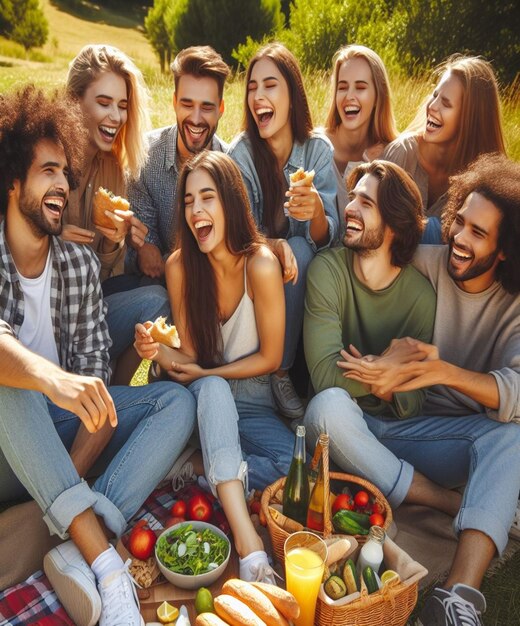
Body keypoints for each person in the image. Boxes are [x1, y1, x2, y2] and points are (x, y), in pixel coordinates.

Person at [0, 85, 196, 626]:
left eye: (66, 171)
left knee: (176, 404)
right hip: (5, 443)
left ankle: (74, 535)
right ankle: (108, 567)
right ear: (13, 181)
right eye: (47, 172)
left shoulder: (78, 267)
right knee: (8, 379)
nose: (63, 183)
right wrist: (52, 382)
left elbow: (99, 406)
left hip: (58, 439)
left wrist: (130, 363)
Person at [317, 154, 520, 626]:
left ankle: (457, 598)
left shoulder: (513, 308)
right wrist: (385, 369)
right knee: (328, 411)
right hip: (383, 424)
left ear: (505, 249)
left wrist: (443, 372)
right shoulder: (424, 263)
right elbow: (365, 246)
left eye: (478, 234)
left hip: (450, 439)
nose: (460, 241)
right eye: (459, 224)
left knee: (511, 437)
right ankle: (454, 504)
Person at [134, 150, 295, 583]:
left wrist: (209, 373)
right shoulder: (180, 267)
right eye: (188, 201)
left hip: (255, 400)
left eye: (208, 197)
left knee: (291, 471)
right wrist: (156, 352)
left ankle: (203, 469)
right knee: (213, 392)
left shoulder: (260, 265)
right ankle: (250, 547)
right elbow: (186, 355)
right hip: (204, 400)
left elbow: (271, 358)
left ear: (230, 201)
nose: (196, 210)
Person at [228, 42, 338, 419]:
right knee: (285, 250)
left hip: (304, 275)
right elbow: (236, 232)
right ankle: (272, 371)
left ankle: (282, 371)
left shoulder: (317, 151)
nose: (258, 96)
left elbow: (329, 238)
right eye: (252, 87)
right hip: (251, 271)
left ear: (292, 93)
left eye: (270, 85)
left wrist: (318, 213)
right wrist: (271, 243)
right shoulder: (239, 155)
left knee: (302, 249)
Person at [65, 44, 170, 384]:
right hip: (46, 306)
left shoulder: (113, 170)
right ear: (74, 100)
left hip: (91, 304)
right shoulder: (46, 157)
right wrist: (53, 238)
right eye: (104, 102)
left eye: (123, 106)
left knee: (155, 298)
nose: (116, 116)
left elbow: (106, 276)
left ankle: (116, 392)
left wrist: (114, 243)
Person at [304, 159, 435, 426]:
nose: (350, 208)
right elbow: (324, 377)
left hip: (397, 428)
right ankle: (408, 472)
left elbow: (414, 402)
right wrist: (385, 369)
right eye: (352, 199)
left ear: (395, 225)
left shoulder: (421, 298)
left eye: (366, 203)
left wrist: (366, 371)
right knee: (329, 408)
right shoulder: (327, 271)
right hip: (338, 419)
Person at [127, 45, 230, 283]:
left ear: (221, 109)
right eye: (187, 104)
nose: (195, 118)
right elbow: (148, 254)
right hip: (159, 284)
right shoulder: (145, 157)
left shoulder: (231, 164)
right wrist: (144, 250)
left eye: (206, 107)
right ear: (174, 102)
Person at [383, 54, 506, 244]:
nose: (432, 106)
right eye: (435, 96)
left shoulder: (484, 182)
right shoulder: (402, 154)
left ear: (469, 120)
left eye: (446, 103)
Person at [324, 45, 397, 237]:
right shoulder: (316, 146)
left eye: (361, 87)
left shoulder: (391, 155)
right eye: (342, 87)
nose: (349, 96)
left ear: (377, 95)